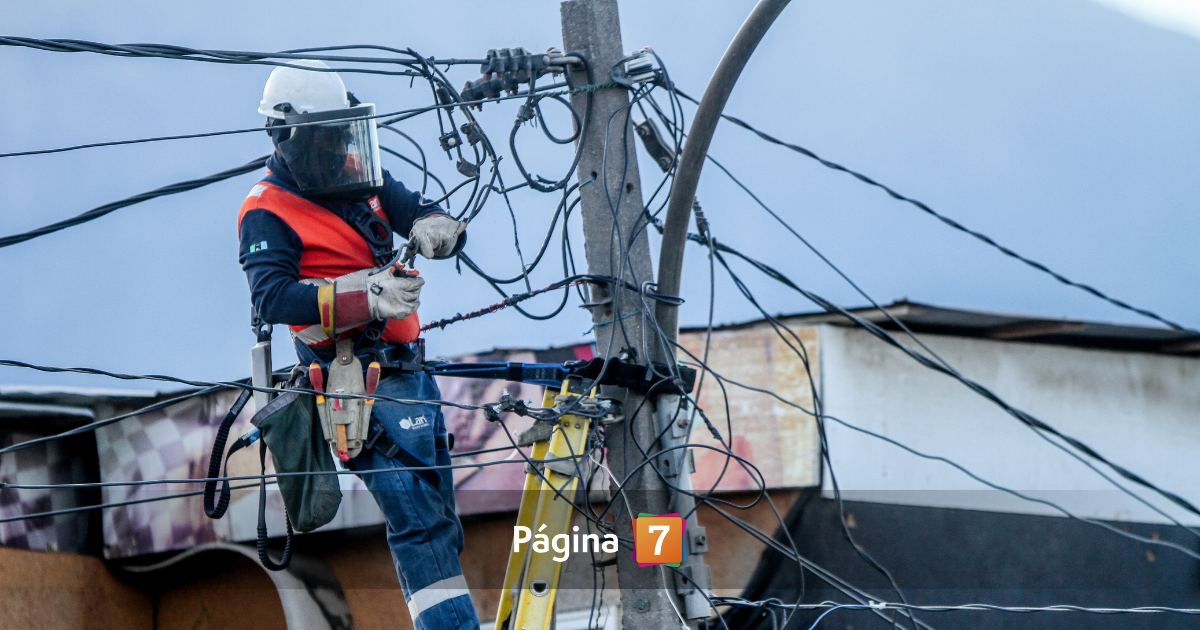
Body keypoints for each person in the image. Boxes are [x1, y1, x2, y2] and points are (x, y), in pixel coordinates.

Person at [237, 59, 480, 630]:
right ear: (287, 137)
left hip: (411, 376)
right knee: (418, 523)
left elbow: (410, 206)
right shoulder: (265, 209)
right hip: (356, 389)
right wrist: (364, 297)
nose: (337, 147)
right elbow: (273, 298)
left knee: (441, 522)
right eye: (324, 138)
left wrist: (433, 222)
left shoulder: (354, 173)